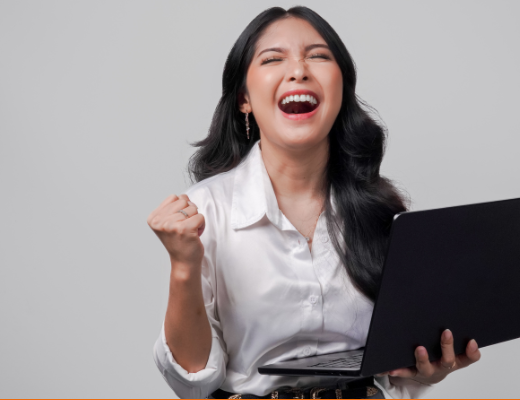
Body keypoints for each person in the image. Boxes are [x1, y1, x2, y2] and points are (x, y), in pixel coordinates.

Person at [148, 6, 481, 399]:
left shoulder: (383, 211)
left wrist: (429, 367)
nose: (299, 70)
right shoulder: (205, 211)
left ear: (341, 88)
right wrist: (184, 265)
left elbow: (400, 374)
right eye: (273, 59)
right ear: (244, 99)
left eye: (318, 56)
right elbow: (192, 381)